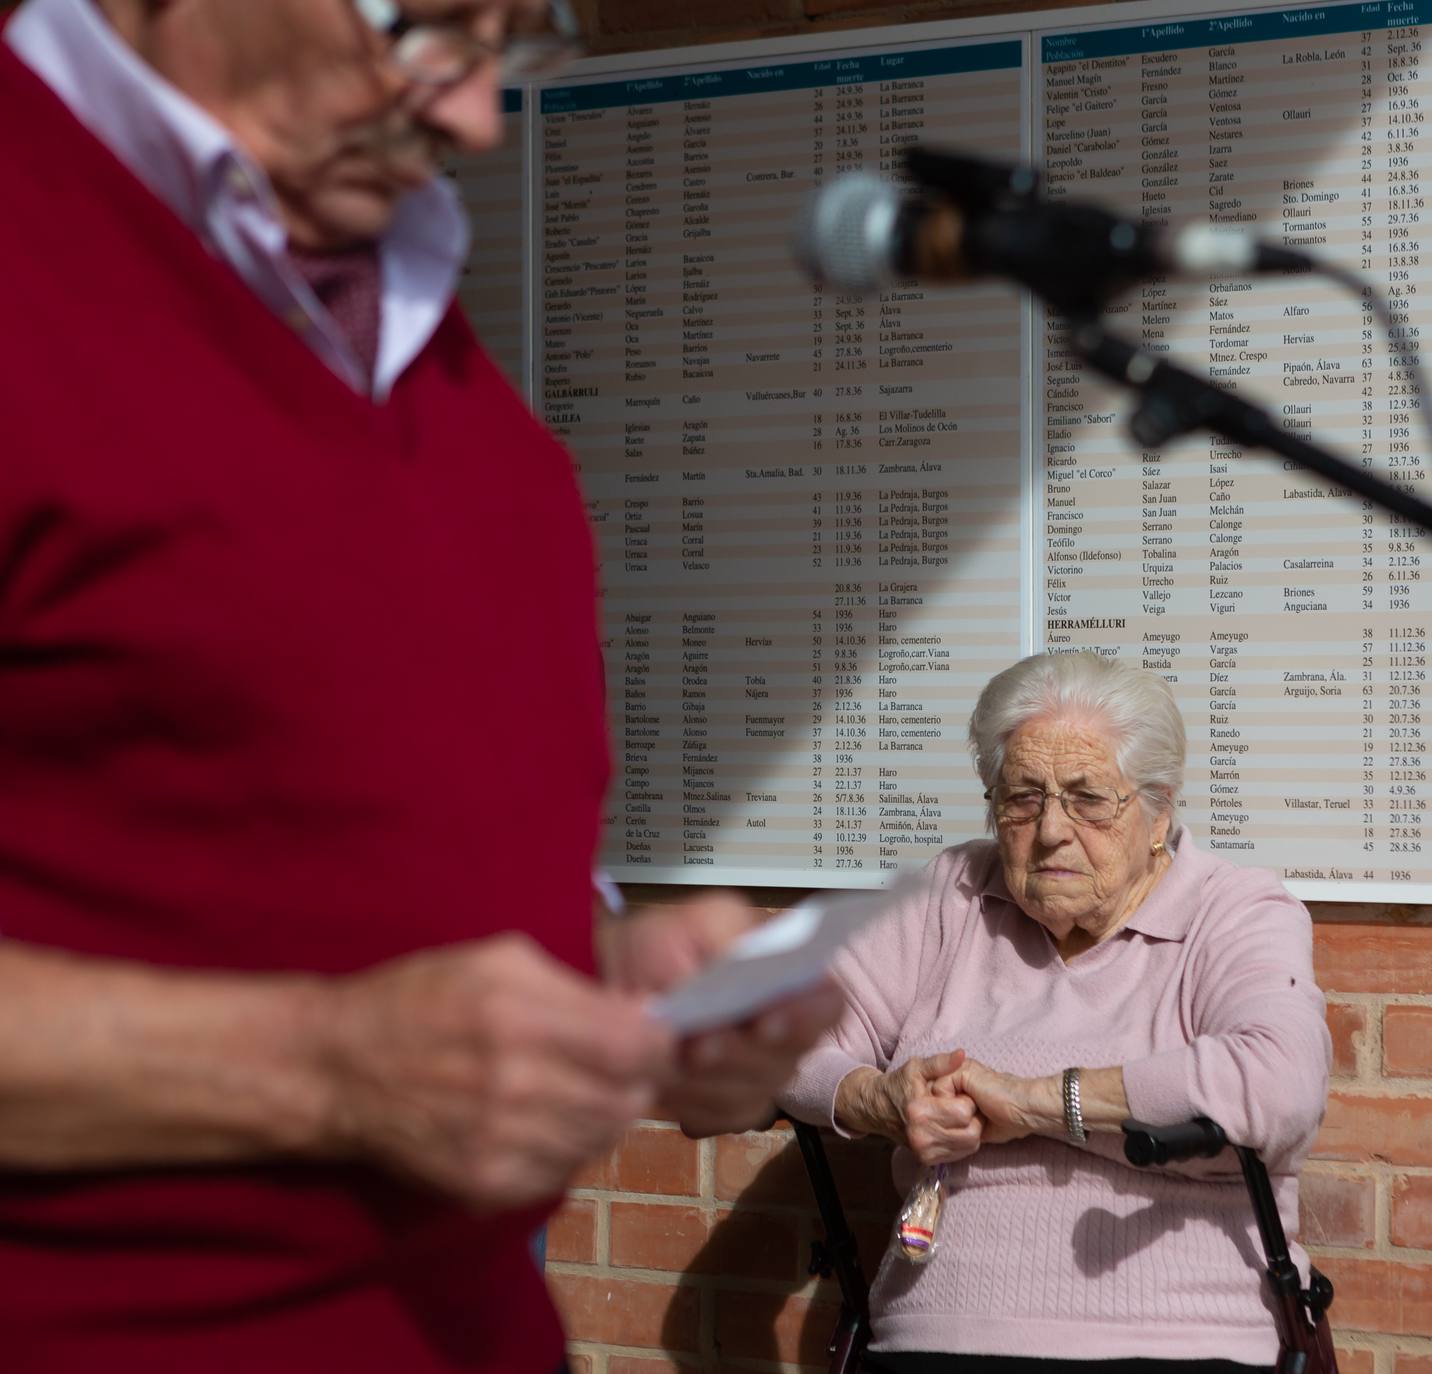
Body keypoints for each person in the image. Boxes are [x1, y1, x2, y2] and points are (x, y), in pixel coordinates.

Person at [0, 1, 838, 1370]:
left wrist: (616, 989)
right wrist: (321, 1066)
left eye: (521, 37)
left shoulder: (442, 380)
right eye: (432, 28)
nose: (474, 116)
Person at [780, 651, 1331, 1373]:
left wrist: (1039, 1102)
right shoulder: (953, 895)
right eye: (1022, 797)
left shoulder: (1233, 911)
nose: (1050, 831)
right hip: (937, 1332)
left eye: (1088, 798)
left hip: (1182, 1341)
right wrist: (878, 1099)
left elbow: (1278, 1086)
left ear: (1159, 808)